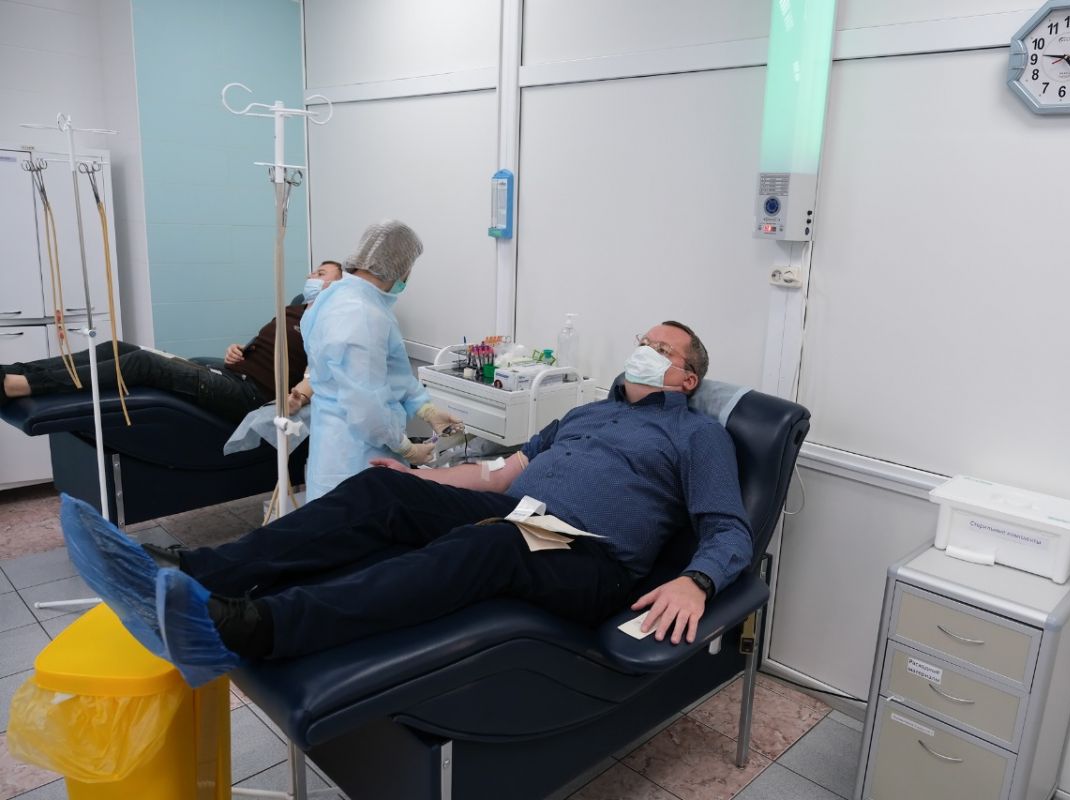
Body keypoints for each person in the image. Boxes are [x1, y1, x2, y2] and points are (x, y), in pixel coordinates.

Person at [61, 321, 752, 687]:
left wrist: (696, 581)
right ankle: (198, 571)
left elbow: (729, 530)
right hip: (523, 514)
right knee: (383, 488)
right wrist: (420, 479)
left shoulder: (697, 436)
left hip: (586, 555)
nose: (642, 351)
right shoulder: (584, 414)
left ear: (687, 377)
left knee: (491, 543)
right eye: (641, 341)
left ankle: (257, 627)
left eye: (660, 348)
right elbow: (498, 473)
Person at [0, 262, 343, 424]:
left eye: (321, 274)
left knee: (144, 365)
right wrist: (238, 350)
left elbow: (321, 368)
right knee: (119, 348)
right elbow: (265, 348)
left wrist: (299, 397)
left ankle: (21, 386)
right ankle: (13, 372)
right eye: (313, 271)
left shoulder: (330, 319)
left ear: (339, 287)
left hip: (250, 395)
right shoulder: (294, 309)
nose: (311, 276)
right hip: (230, 373)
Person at [299, 220, 461, 501]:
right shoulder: (361, 314)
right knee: (356, 522)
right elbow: (366, 405)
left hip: (338, 444)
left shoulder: (339, 297)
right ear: (400, 267)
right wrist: (406, 448)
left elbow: (392, 375)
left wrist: (426, 409)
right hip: (356, 455)